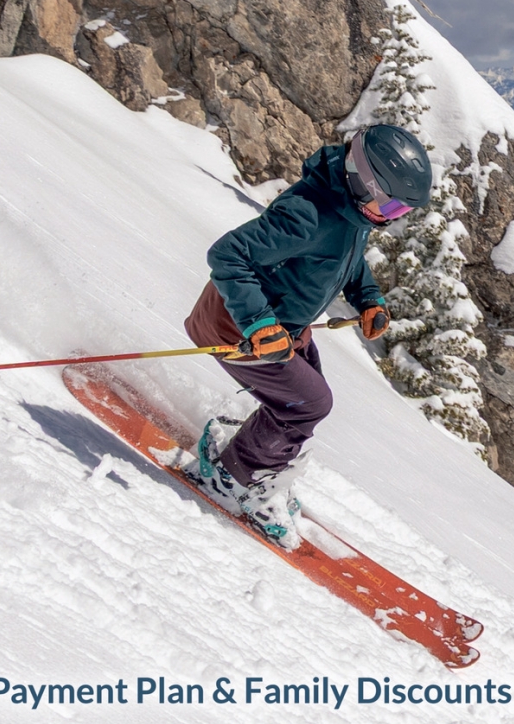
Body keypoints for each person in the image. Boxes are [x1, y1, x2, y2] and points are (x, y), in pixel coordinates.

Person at [184, 124, 432, 548]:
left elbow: (347, 258)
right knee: (309, 404)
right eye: (391, 206)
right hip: (237, 327)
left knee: (303, 397)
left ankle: (247, 457)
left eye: (402, 212)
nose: (392, 217)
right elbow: (228, 255)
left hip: (283, 328)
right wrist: (259, 323)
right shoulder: (308, 215)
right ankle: (230, 479)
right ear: (364, 181)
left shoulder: (352, 211)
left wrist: (367, 297)